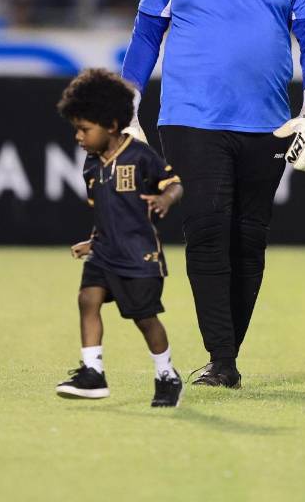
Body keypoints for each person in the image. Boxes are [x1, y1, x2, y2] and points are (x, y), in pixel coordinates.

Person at [120, 0, 305, 389]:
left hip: (268, 123)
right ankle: (222, 359)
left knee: (249, 238)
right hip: (190, 119)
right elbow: (145, 38)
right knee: (208, 227)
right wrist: (128, 102)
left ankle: (226, 350)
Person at [54, 69, 185, 408]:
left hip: (139, 256)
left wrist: (164, 200)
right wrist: (92, 241)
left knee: (144, 319)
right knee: (87, 298)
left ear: (111, 125)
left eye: (85, 129)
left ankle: (166, 374)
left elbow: (175, 184)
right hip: (105, 251)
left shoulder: (140, 156)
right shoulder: (91, 167)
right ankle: (92, 373)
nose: (79, 137)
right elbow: (105, 214)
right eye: (76, 129)